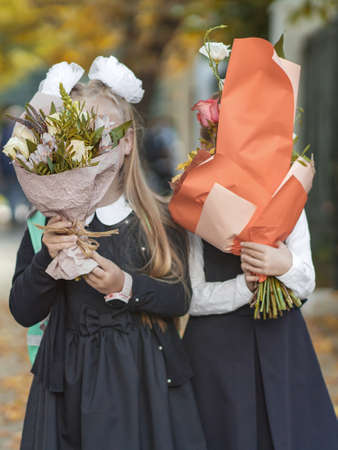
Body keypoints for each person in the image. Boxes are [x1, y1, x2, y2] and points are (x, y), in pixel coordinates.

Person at [9, 59, 207, 450]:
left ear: (128, 141)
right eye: (82, 134)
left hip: (143, 375)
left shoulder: (157, 218)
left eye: (104, 133)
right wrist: (46, 260)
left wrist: (127, 285)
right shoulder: (45, 223)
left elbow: (180, 297)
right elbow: (23, 309)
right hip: (69, 378)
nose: (94, 145)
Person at [184, 211, 338, 450]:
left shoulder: (288, 188)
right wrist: (245, 287)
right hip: (219, 351)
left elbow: (306, 283)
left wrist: (284, 266)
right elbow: (190, 297)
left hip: (281, 339)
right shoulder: (197, 198)